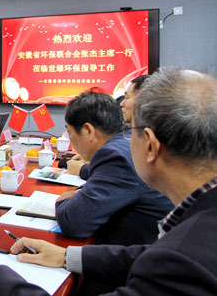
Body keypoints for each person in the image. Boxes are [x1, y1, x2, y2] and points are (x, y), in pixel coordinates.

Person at [0, 68, 217, 296]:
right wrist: (68, 257)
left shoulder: (187, 255)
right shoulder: (201, 221)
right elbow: (149, 255)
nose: (125, 139)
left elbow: (168, 261)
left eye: (130, 130)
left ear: (150, 146)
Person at [53, 90, 172, 247]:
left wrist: (62, 200)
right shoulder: (126, 140)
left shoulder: (114, 157)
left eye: (69, 132)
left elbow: (74, 222)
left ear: (88, 131)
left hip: (138, 254)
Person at [68, 75, 150, 179]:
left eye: (127, 97)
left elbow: (117, 174)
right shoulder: (129, 136)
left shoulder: (116, 151)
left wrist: (83, 169)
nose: (121, 104)